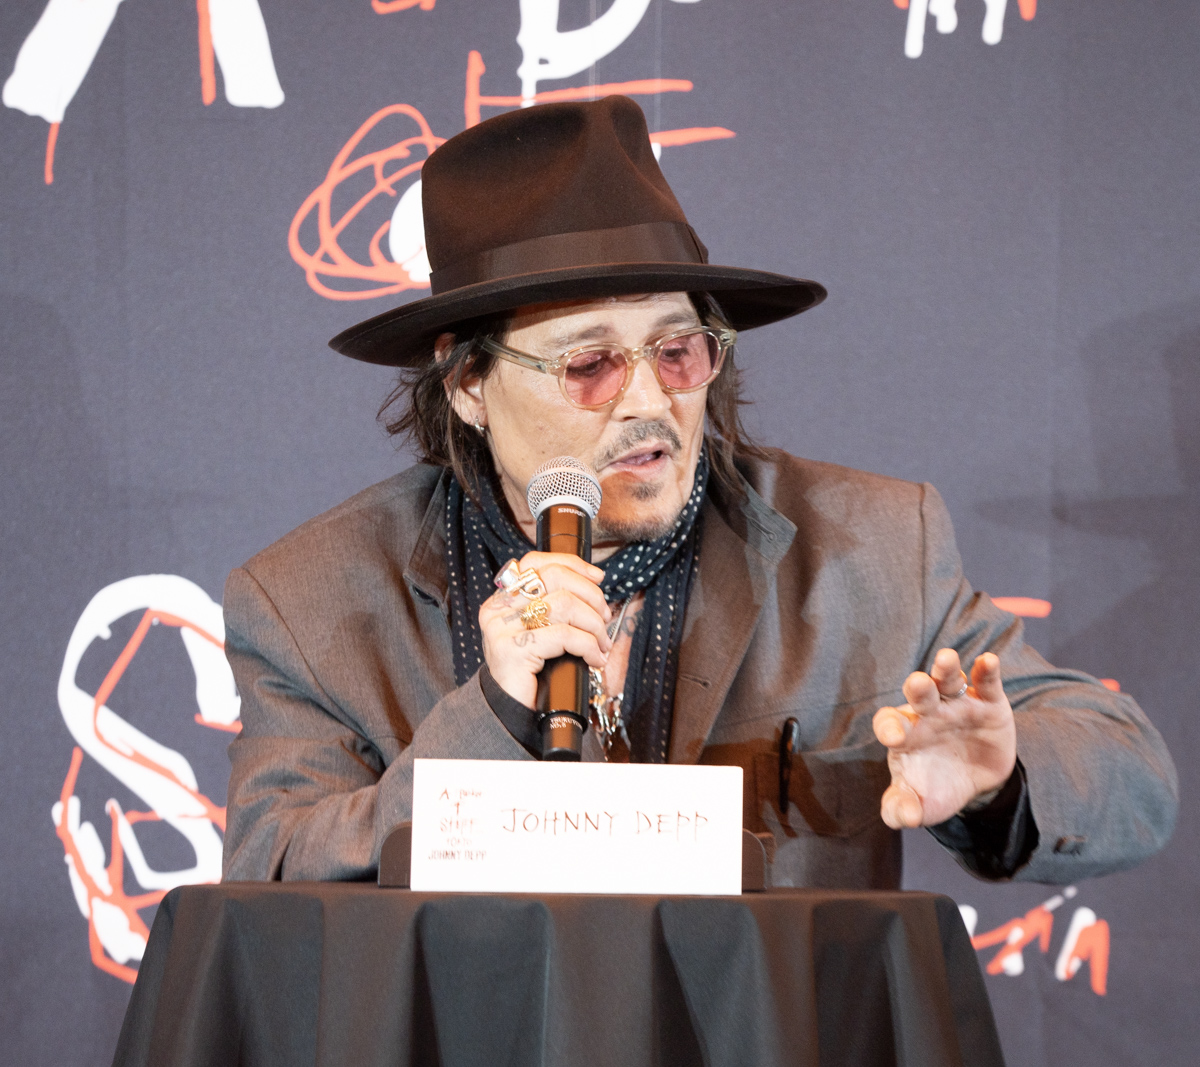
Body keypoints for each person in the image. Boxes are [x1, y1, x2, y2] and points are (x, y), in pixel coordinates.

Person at [221, 96, 1177, 886]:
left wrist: (1000, 777)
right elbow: (270, 869)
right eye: (589, 363)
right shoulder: (312, 599)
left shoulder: (872, 547)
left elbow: (1131, 773)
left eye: (678, 351)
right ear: (468, 382)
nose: (649, 401)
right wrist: (490, 718)